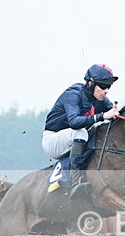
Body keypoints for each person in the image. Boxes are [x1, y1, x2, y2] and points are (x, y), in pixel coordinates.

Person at [42, 63, 120, 198]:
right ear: (90, 83)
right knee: (81, 132)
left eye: (108, 87)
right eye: (102, 86)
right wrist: (102, 116)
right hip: (53, 140)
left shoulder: (99, 97)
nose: (106, 90)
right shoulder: (73, 94)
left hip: (73, 139)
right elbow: (74, 122)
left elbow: (114, 113)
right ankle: (76, 180)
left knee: (99, 131)